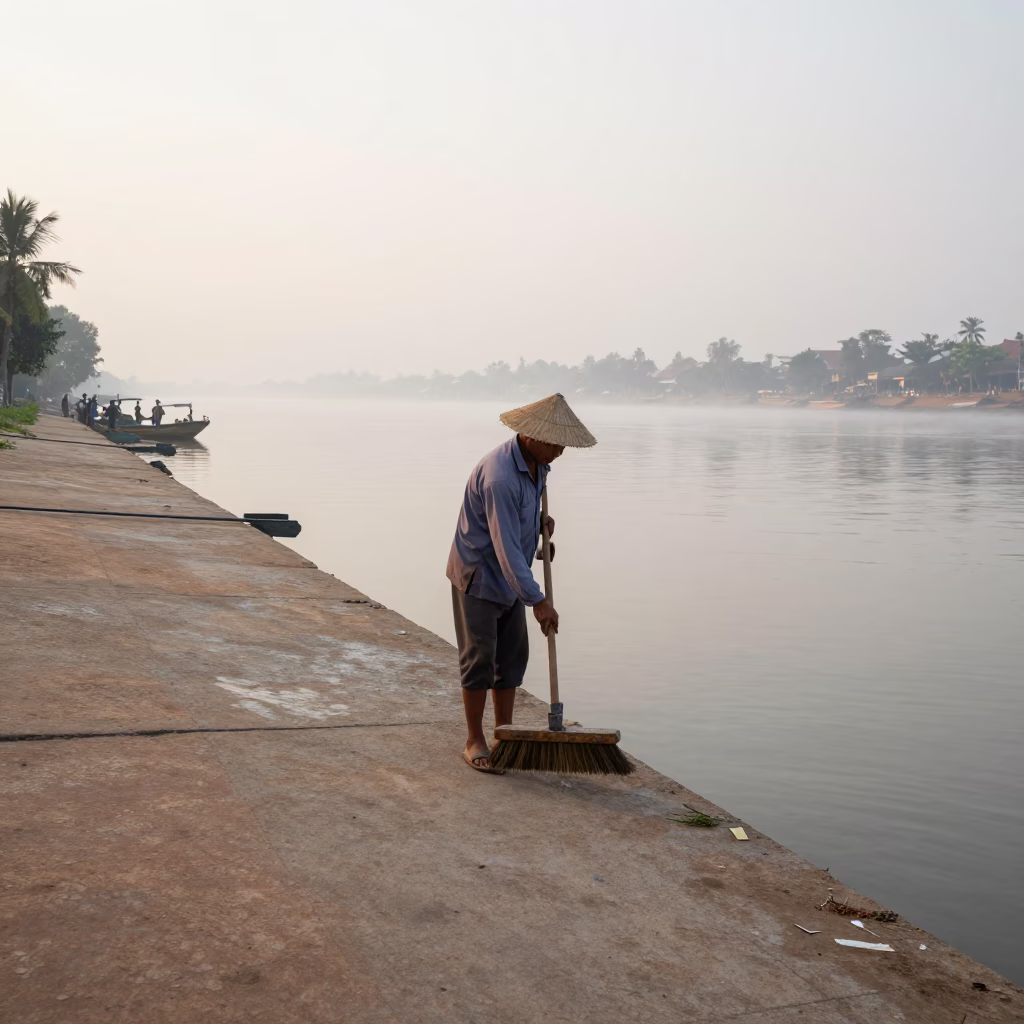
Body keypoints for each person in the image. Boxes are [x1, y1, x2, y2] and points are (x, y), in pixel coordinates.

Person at [446, 393, 597, 773]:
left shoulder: (538, 466)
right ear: (529, 436)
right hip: (480, 575)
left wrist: (540, 526)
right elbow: (506, 550)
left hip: (513, 579)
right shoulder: (499, 477)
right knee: (480, 659)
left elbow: (519, 527)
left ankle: (505, 733)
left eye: (563, 445)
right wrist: (538, 600)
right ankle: (474, 739)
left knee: (511, 660)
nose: (559, 452)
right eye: (554, 444)